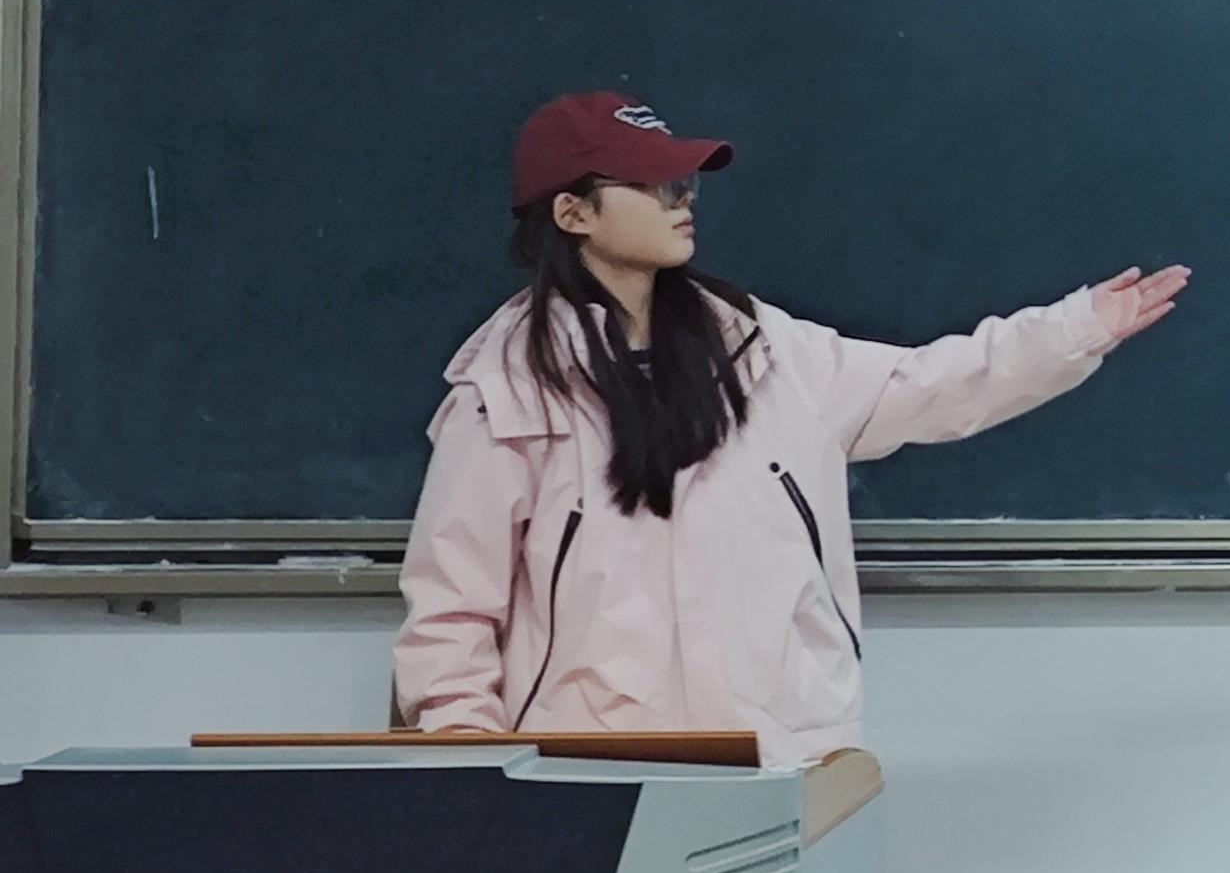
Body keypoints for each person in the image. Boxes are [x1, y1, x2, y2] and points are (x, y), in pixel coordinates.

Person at [394, 90, 1186, 761]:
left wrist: (1074, 330)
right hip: (587, 773)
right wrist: (474, 768)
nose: (682, 199)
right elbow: (453, 613)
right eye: (653, 184)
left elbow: (928, 385)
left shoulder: (762, 349)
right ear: (573, 212)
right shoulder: (505, 394)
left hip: (778, 758)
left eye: (684, 181)